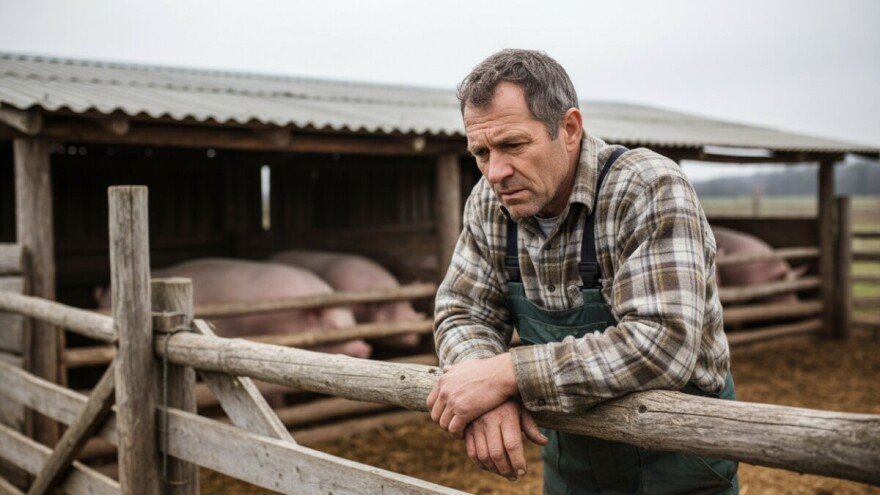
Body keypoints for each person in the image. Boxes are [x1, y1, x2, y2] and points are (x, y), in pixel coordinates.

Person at [427, 49, 738, 494]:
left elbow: (663, 342)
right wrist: (479, 385)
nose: (496, 171)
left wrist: (505, 375)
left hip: (682, 457)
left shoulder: (646, 187)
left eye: (513, 145)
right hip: (573, 459)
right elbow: (462, 310)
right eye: (481, 151)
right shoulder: (489, 202)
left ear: (569, 129)